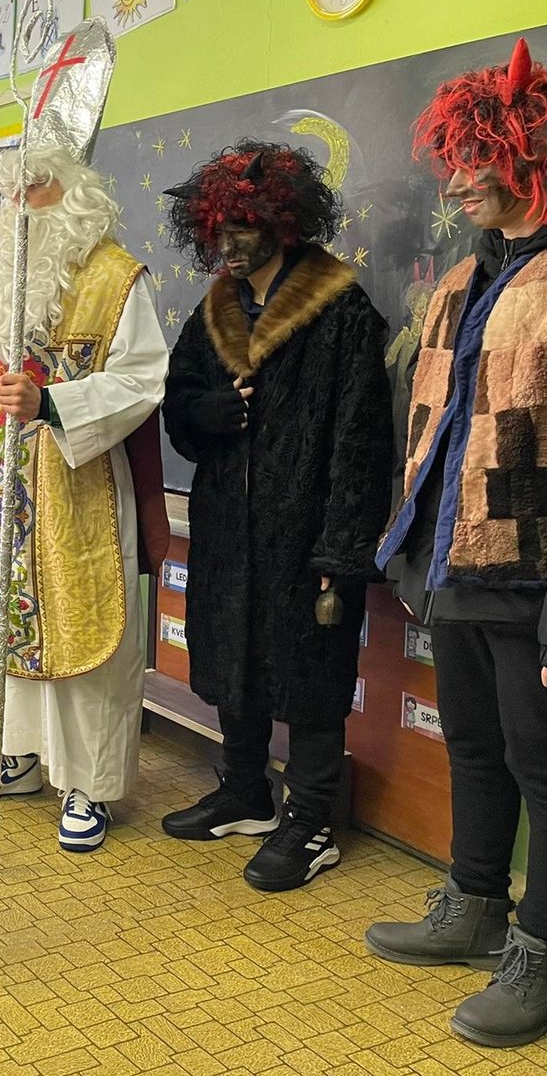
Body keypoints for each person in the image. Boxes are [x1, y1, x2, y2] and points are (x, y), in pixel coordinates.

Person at [367, 39, 547, 1049]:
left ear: (536, 157)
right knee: (475, 747)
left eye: (476, 162)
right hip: (454, 565)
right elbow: (435, 428)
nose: (454, 183)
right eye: (453, 161)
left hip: (537, 575)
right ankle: (476, 901)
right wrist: (410, 554)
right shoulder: (458, 279)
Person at [0, 19, 169, 854]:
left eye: (33, 188)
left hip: (77, 489)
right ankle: (14, 757)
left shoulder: (115, 279)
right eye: (10, 192)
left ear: (73, 191)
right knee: (4, 624)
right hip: (0, 491)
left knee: (83, 633)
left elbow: (143, 379)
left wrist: (51, 403)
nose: (18, 206)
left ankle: (89, 784)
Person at [158, 140, 393, 892]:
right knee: (234, 657)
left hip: (307, 533)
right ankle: (246, 792)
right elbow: (177, 407)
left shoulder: (340, 310)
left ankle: (313, 820)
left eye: (245, 226)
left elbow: (362, 438)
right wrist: (208, 412)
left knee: (312, 675)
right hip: (228, 527)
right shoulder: (214, 313)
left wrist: (341, 548)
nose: (229, 243)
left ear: (283, 224)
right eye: (219, 228)